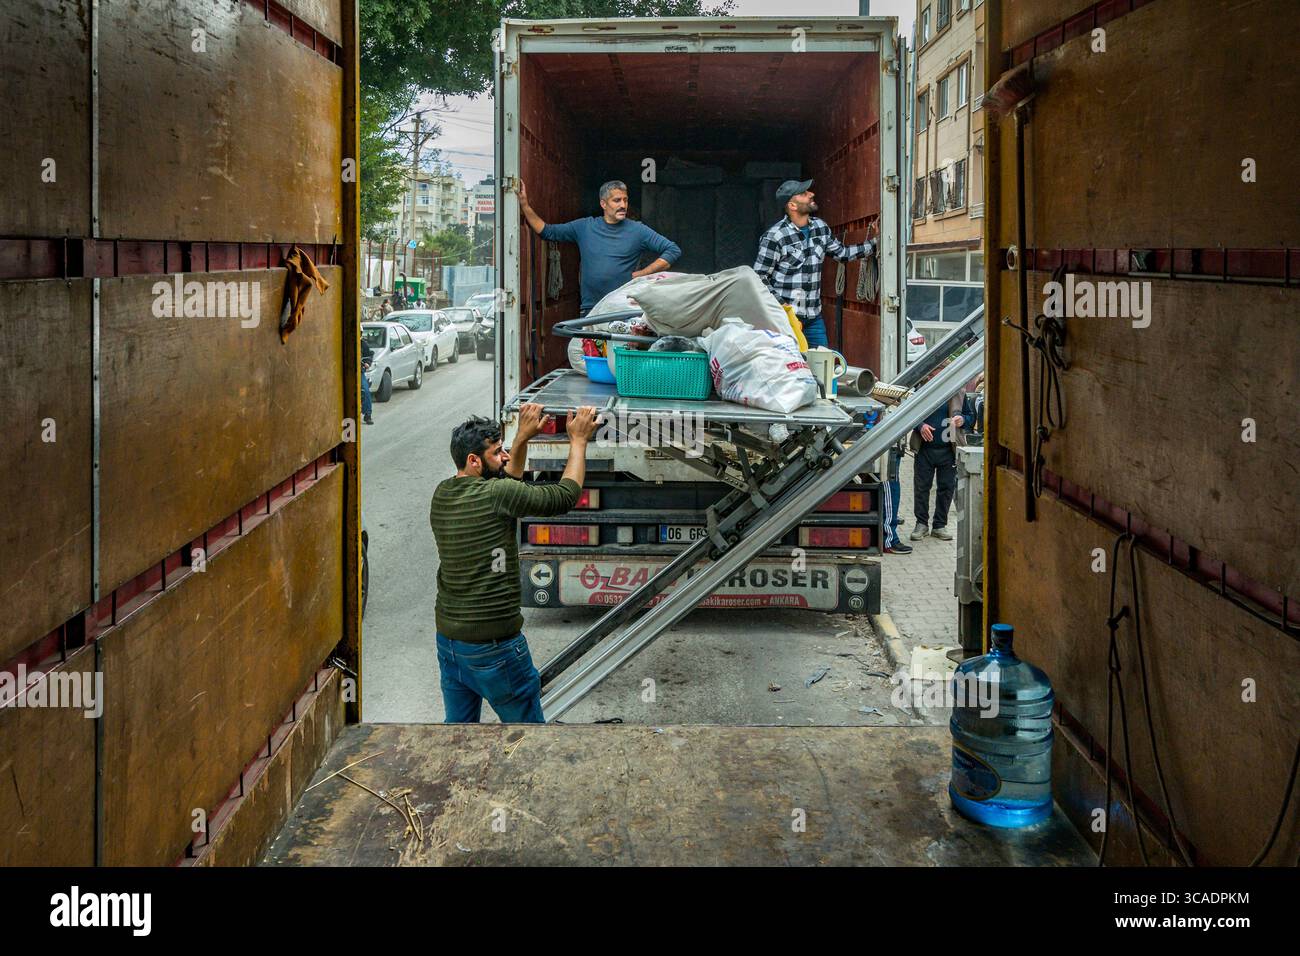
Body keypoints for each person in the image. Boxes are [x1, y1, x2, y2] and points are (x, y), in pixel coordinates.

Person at [429, 403, 600, 723]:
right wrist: (578, 441)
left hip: (451, 646)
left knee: (458, 738)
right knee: (526, 740)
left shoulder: (443, 494)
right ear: (473, 461)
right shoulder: (497, 495)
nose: (505, 456)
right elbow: (565, 496)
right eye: (497, 452)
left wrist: (520, 439)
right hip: (494, 650)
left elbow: (508, 483)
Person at [517, 179, 681, 316]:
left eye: (625, 200)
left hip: (624, 308)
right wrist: (525, 205)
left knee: (619, 354)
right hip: (591, 309)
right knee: (585, 353)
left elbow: (673, 250)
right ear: (603, 203)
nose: (623, 205)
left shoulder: (638, 230)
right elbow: (548, 232)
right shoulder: (585, 227)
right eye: (617, 200)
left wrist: (642, 274)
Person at [753, 179, 876, 348]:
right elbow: (759, 277)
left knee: (824, 368)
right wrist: (782, 305)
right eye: (804, 193)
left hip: (813, 319)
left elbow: (842, 254)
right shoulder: (775, 236)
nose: (811, 194)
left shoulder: (820, 228)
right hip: (784, 319)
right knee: (789, 369)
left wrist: (876, 243)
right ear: (792, 206)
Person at [909, 394, 964, 541]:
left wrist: (962, 420)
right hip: (924, 450)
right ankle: (921, 525)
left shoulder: (958, 394)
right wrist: (920, 426)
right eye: (933, 372)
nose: (936, 373)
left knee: (946, 488)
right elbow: (909, 415)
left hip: (948, 451)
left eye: (939, 370)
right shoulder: (923, 392)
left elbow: (970, 417)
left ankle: (939, 526)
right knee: (921, 487)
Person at [881, 440, 912, 554]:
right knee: (890, 491)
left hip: (891, 444)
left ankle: (888, 537)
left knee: (892, 490)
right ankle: (889, 540)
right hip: (888, 444)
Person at [360, 335, 375, 425]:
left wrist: (367, 363)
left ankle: (367, 414)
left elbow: (369, 355)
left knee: (365, 390)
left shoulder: (363, 344)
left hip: (358, 371)